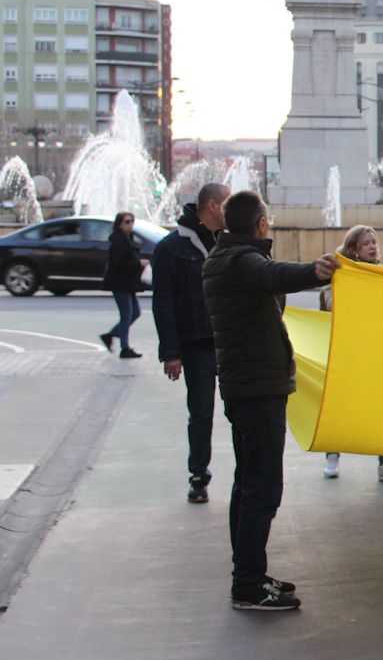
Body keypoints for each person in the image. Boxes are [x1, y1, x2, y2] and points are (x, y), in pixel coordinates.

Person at [203, 191, 336, 611]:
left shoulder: (223, 257)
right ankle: (247, 585)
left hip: (244, 385)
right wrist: (316, 270)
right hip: (257, 387)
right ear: (260, 223)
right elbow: (272, 274)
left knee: (247, 484)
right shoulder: (242, 260)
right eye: (268, 220)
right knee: (262, 487)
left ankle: (250, 574)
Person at [151, 183, 229, 504]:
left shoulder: (227, 242)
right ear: (212, 206)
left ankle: (247, 471)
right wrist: (171, 353)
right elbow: (163, 303)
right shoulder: (171, 248)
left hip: (229, 340)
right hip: (197, 344)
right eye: (227, 203)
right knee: (201, 412)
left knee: (241, 408)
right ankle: (198, 476)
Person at [319, 225, 383, 483]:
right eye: (366, 243)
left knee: (381, 405)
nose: (373, 247)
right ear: (353, 250)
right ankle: (332, 455)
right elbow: (333, 309)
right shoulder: (340, 277)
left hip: (375, 353)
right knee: (340, 407)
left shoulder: (381, 274)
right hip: (347, 354)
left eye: (374, 242)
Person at [100, 211, 147, 359]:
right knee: (127, 314)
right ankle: (124, 348)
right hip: (120, 283)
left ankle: (111, 335)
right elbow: (119, 263)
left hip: (127, 283)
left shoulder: (127, 238)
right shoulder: (119, 240)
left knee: (135, 312)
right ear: (119, 224)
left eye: (132, 221)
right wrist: (138, 263)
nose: (130, 224)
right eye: (127, 222)